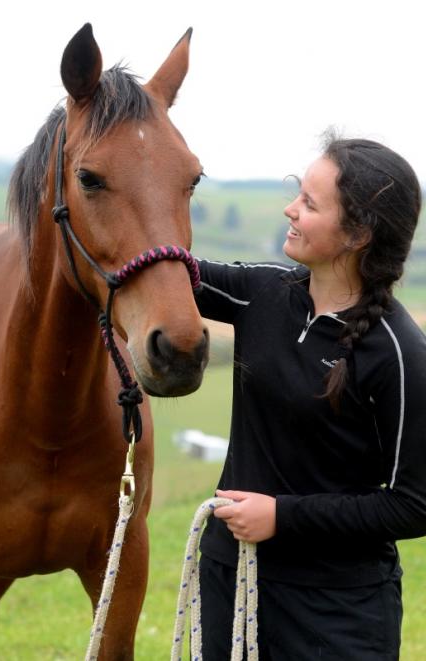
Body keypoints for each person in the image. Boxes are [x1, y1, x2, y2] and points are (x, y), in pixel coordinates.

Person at [194, 131, 426, 660]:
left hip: (336, 614)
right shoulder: (263, 294)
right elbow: (168, 270)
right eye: (297, 193)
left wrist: (284, 517)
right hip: (231, 581)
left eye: (309, 203)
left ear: (359, 233)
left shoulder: (399, 353)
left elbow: (415, 506)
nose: (289, 209)